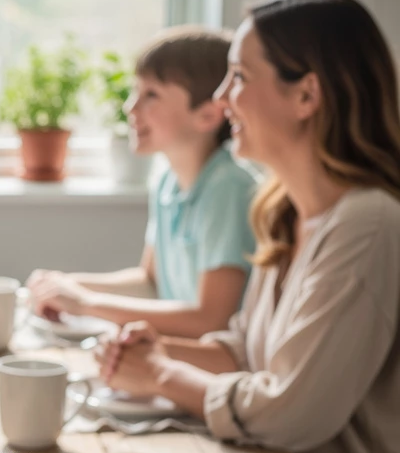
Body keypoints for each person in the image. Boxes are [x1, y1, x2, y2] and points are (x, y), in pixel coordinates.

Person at [98, 0, 400, 453]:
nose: (221, 97)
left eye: (238, 77)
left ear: (307, 94)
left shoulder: (369, 224)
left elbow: (290, 409)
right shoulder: (284, 207)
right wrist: (156, 350)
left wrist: (162, 374)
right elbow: (247, 349)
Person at [27, 27, 259, 338]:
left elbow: (211, 319)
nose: (130, 108)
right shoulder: (167, 183)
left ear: (207, 115)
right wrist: (67, 285)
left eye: (151, 95)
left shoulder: (227, 189)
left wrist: (87, 302)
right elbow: (149, 282)